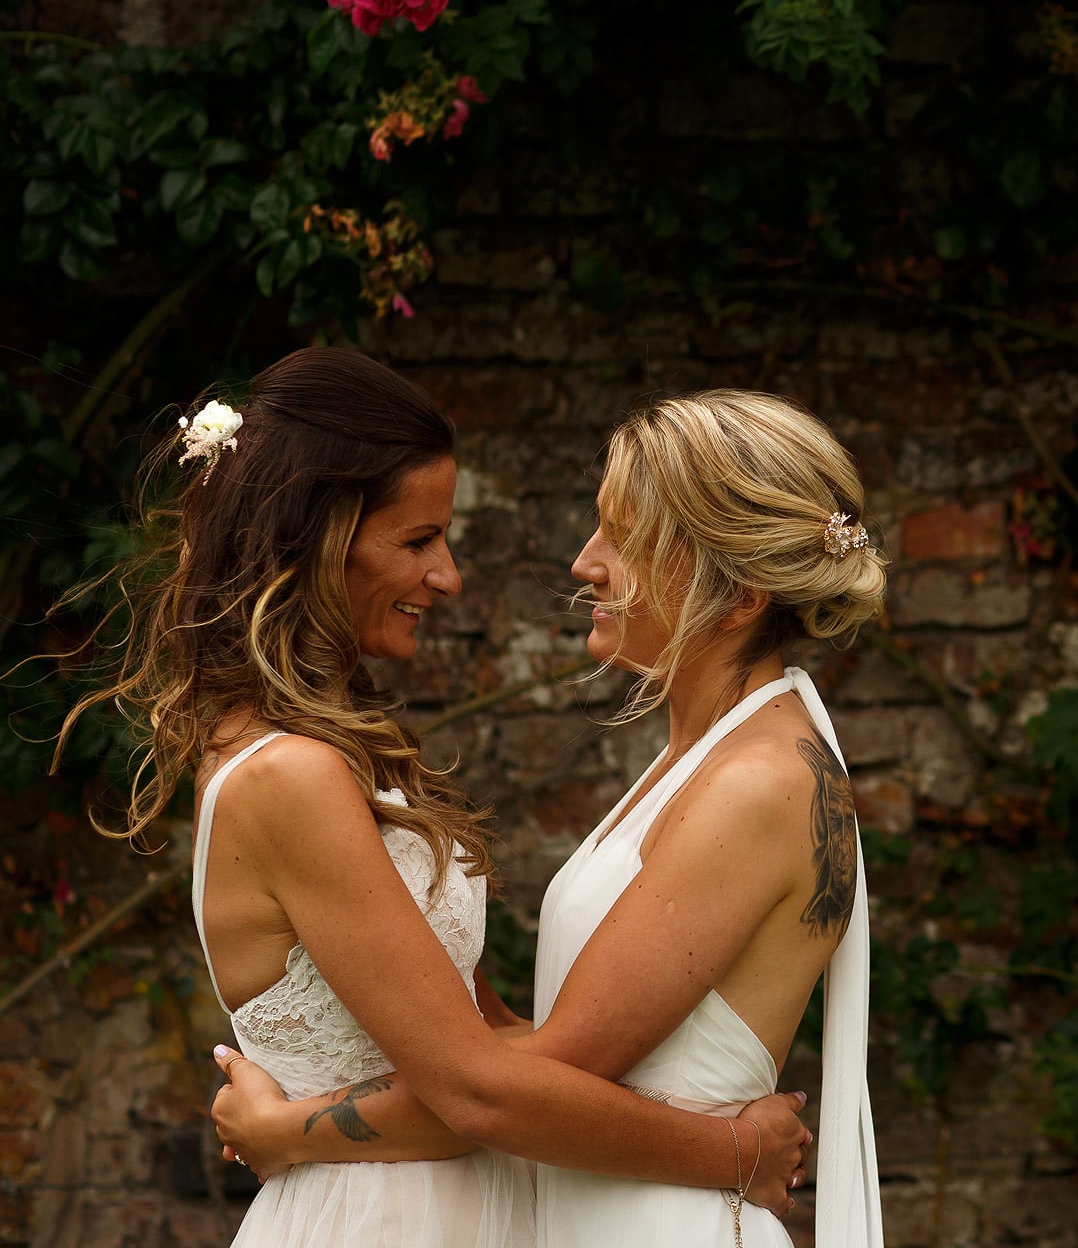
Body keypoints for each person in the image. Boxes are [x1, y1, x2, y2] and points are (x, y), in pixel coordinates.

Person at [58, 351, 811, 1247]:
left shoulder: (345, 756)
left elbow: (500, 1048)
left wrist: (283, 1130)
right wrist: (727, 1150)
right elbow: (477, 1088)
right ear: (314, 536)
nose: (448, 576)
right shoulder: (289, 775)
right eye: (418, 541)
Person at [212, 389, 889, 1248]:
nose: (585, 562)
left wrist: (284, 1128)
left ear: (740, 588)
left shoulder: (759, 781)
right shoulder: (702, 760)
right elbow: (556, 1053)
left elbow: (506, 1087)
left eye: (625, 536)